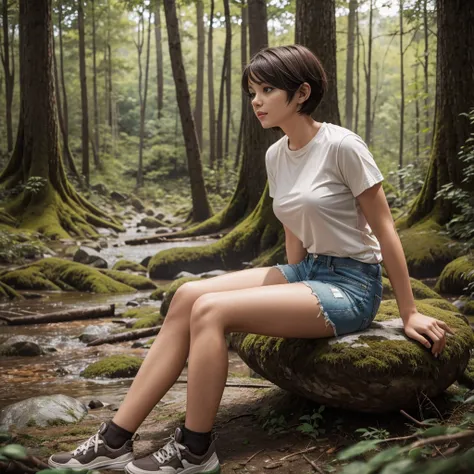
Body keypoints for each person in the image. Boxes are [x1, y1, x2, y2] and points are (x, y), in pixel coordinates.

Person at [48, 44, 453, 474]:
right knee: (186, 294)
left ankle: (195, 449)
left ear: (301, 93)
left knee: (210, 310)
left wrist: (408, 313)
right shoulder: (276, 154)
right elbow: (292, 226)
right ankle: (115, 439)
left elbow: (386, 230)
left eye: (266, 89)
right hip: (309, 271)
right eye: (251, 91)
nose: (256, 100)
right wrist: (289, 285)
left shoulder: (343, 147)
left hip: (351, 286)